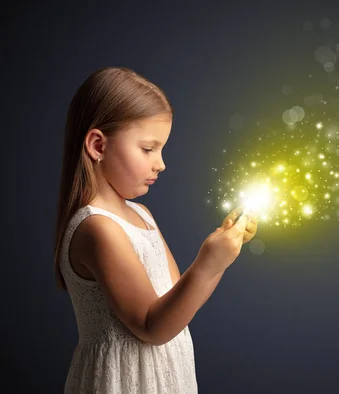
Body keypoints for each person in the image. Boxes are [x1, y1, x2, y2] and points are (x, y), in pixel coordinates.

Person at [53, 67, 258, 393]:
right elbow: (152, 327)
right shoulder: (97, 228)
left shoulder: (142, 215)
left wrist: (220, 254)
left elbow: (176, 307)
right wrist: (211, 262)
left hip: (167, 376)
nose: (160, 163)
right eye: (148, 149)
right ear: (97, 145)